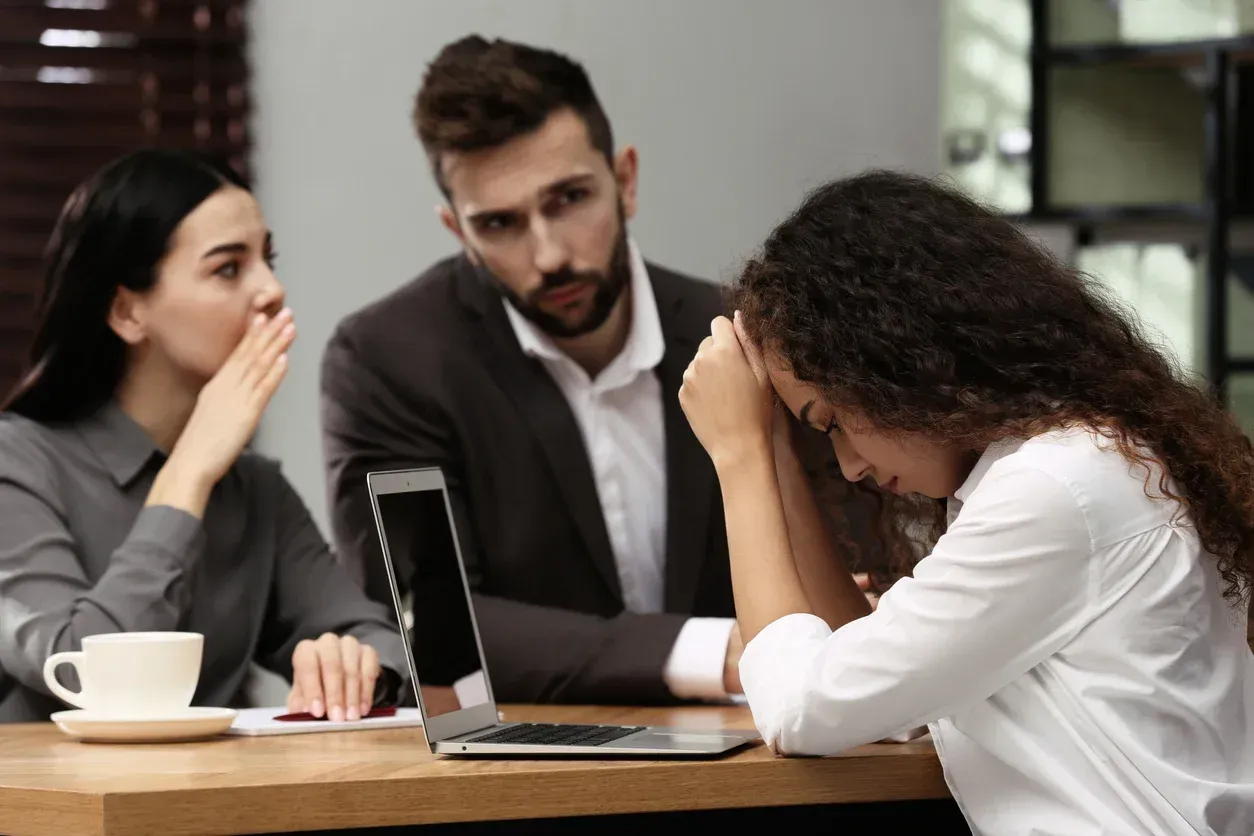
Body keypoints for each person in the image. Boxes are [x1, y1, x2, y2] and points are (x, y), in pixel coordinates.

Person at [678, 170, 1254, 833]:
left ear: (894, 359)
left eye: (833, 421)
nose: (851, 465)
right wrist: (774, 444)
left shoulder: (1055, 489)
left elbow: (800, 708)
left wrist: (738, 455)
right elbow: (874, 682)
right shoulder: (1070, 462)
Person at [320, 36, 888, 706]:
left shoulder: (744, 332)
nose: (549, 253)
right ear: (458, 233)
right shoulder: (390, 358)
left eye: (569, 199)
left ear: (625, 180)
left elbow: (861, 571)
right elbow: (429, 625)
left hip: (772, 761)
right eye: (499, 223)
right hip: (525, 778)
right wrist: (720, 652)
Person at [0, 149, 409, 724]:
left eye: (268, 259)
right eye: (227, 268)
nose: (271, 289)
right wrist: (188, 473)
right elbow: (87, 671)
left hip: (201, 810)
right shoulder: (16, 463)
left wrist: (354, 663)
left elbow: (384, 644)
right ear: (126, 311)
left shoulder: (255, 489)